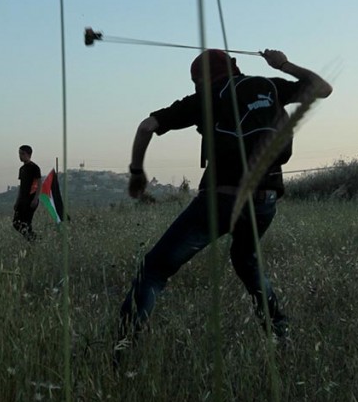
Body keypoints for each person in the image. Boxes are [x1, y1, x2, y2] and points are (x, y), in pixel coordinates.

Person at [119, 48, 332, 343]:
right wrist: (282, 63)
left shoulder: (206, 97)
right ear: (234, 66)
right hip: (265, 201)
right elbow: (323, 88)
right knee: (246, 260)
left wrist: (136, 171)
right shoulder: (269, 86)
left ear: (199, 80)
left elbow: (146, 126)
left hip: (220, 200)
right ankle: (281, 334)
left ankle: (120, 349)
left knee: (154, 270)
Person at [13, 145, 42, 241]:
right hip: (22, 199)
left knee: (26, 222)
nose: (20, 156)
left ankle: (32, 241)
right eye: (19, 154)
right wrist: (17, 201)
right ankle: (33, 238)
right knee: (16, 223)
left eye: (22, 154)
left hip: (31, 198)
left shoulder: (35, 168)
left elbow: (39, 183)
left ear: (29, 154)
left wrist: (35, 199)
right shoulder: (21, 169)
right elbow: (21, 186)